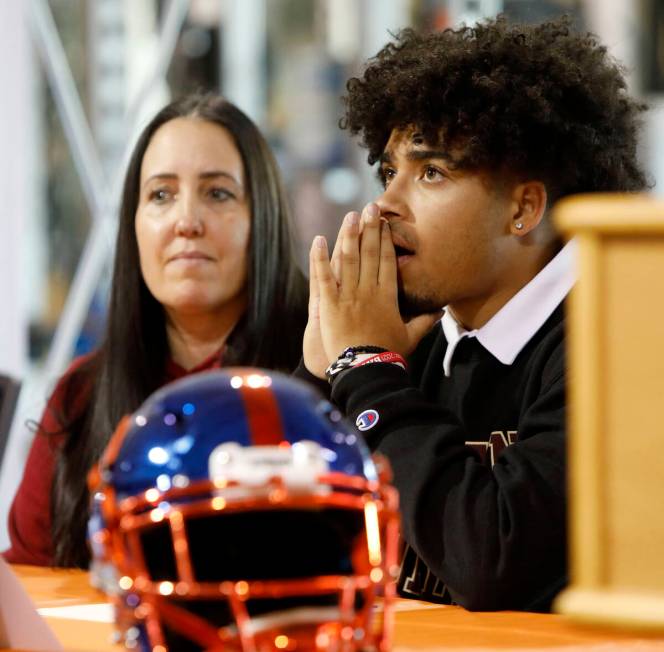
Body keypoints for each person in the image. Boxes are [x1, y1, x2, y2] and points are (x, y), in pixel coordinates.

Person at [298, 16, 648, 611]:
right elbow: (305, 558)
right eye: (389, 172)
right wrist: (325, 382)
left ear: (523, 208)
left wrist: (369, 372)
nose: (385, 203)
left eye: (431, 172)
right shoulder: (421, 341)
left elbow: (492, 560)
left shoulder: (615, 348)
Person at [4, 94, 307, 568]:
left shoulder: (323, 380)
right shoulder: (81, 396)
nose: (186, 222)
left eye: (218, 193)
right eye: (161, 195)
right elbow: (28, 580)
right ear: (134, 225)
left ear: (262, 219)